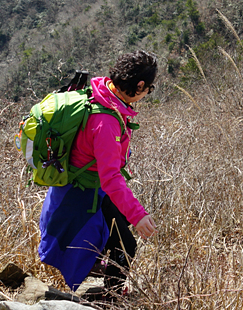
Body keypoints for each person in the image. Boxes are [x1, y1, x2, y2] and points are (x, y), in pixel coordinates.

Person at [38, 50, 159, 295]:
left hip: (86, 186)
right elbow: (111, 178)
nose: (148, 93)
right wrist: (139, 215)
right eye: (150, 88)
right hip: (85, 192)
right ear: (140, 85)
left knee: (118, 233)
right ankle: (112, 297)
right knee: (126, 245)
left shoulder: (103, 94)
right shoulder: (106, 122)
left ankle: (102, 275)